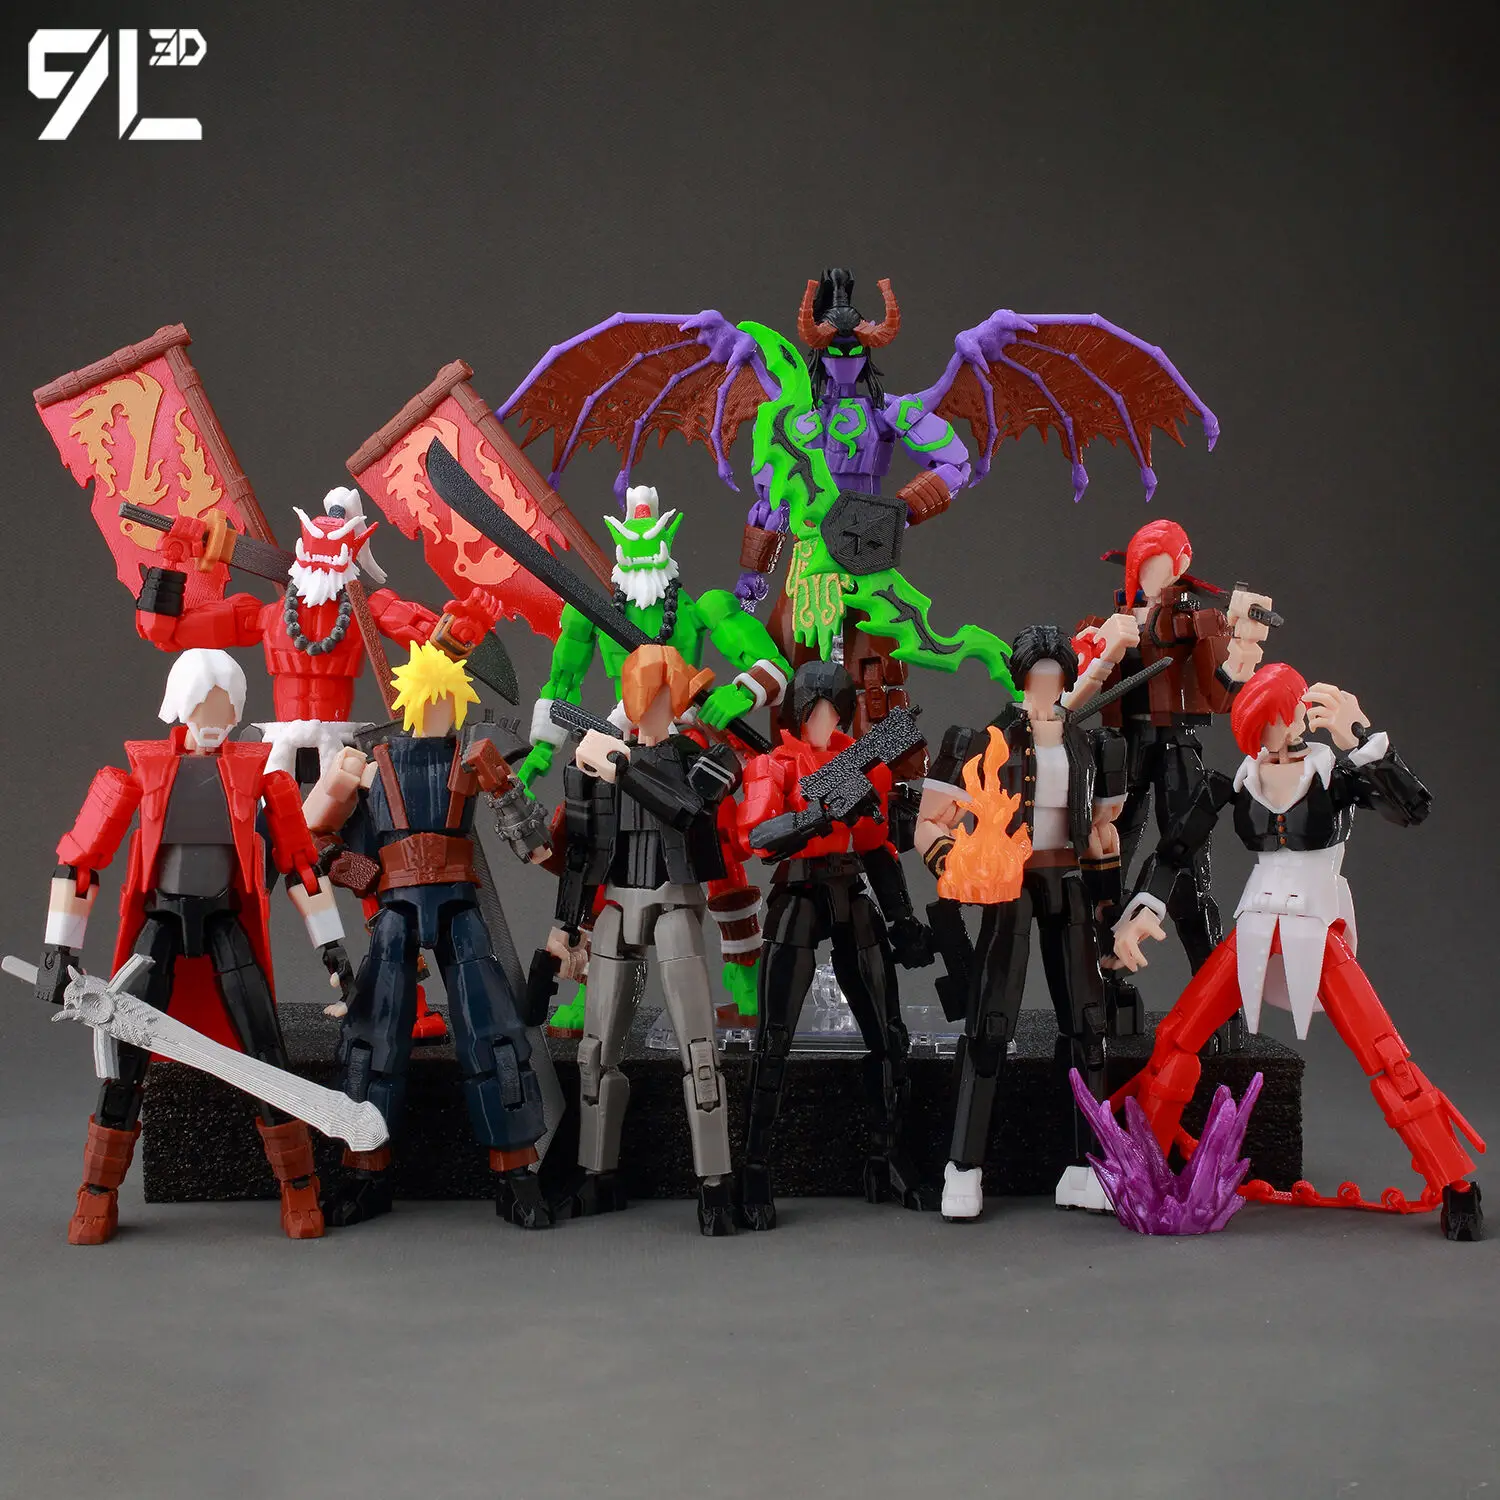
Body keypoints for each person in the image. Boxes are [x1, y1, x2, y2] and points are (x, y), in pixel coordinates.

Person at [1108, 662, 1483, 1240]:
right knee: (1177, 1037)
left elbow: (1412, 808)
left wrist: (1362, 738)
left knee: (1386, 1055)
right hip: (1255, 923)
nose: (1267, 737)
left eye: (1273, 721)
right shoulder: (1235, 782)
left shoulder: (1334, 775)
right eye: (1255, 727)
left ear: (1295, 716)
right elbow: (1176, 851)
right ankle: (1144, 1169)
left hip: (1315, 925)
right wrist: (1146, 910)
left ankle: (1456, 1183)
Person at [39, 648, 350, 1243]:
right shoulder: (141, 774)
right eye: (206, 707)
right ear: (180, 706)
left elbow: (303, 871)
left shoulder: (264, 779)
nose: (216, 722)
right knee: (125, 1055)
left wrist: (332, 949)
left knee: (266, 1052)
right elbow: (78, 864)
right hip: (157, 928)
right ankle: (98, 1191)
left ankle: (299, 1183)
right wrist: (60, 951)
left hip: (226, 923)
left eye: (227, 710)